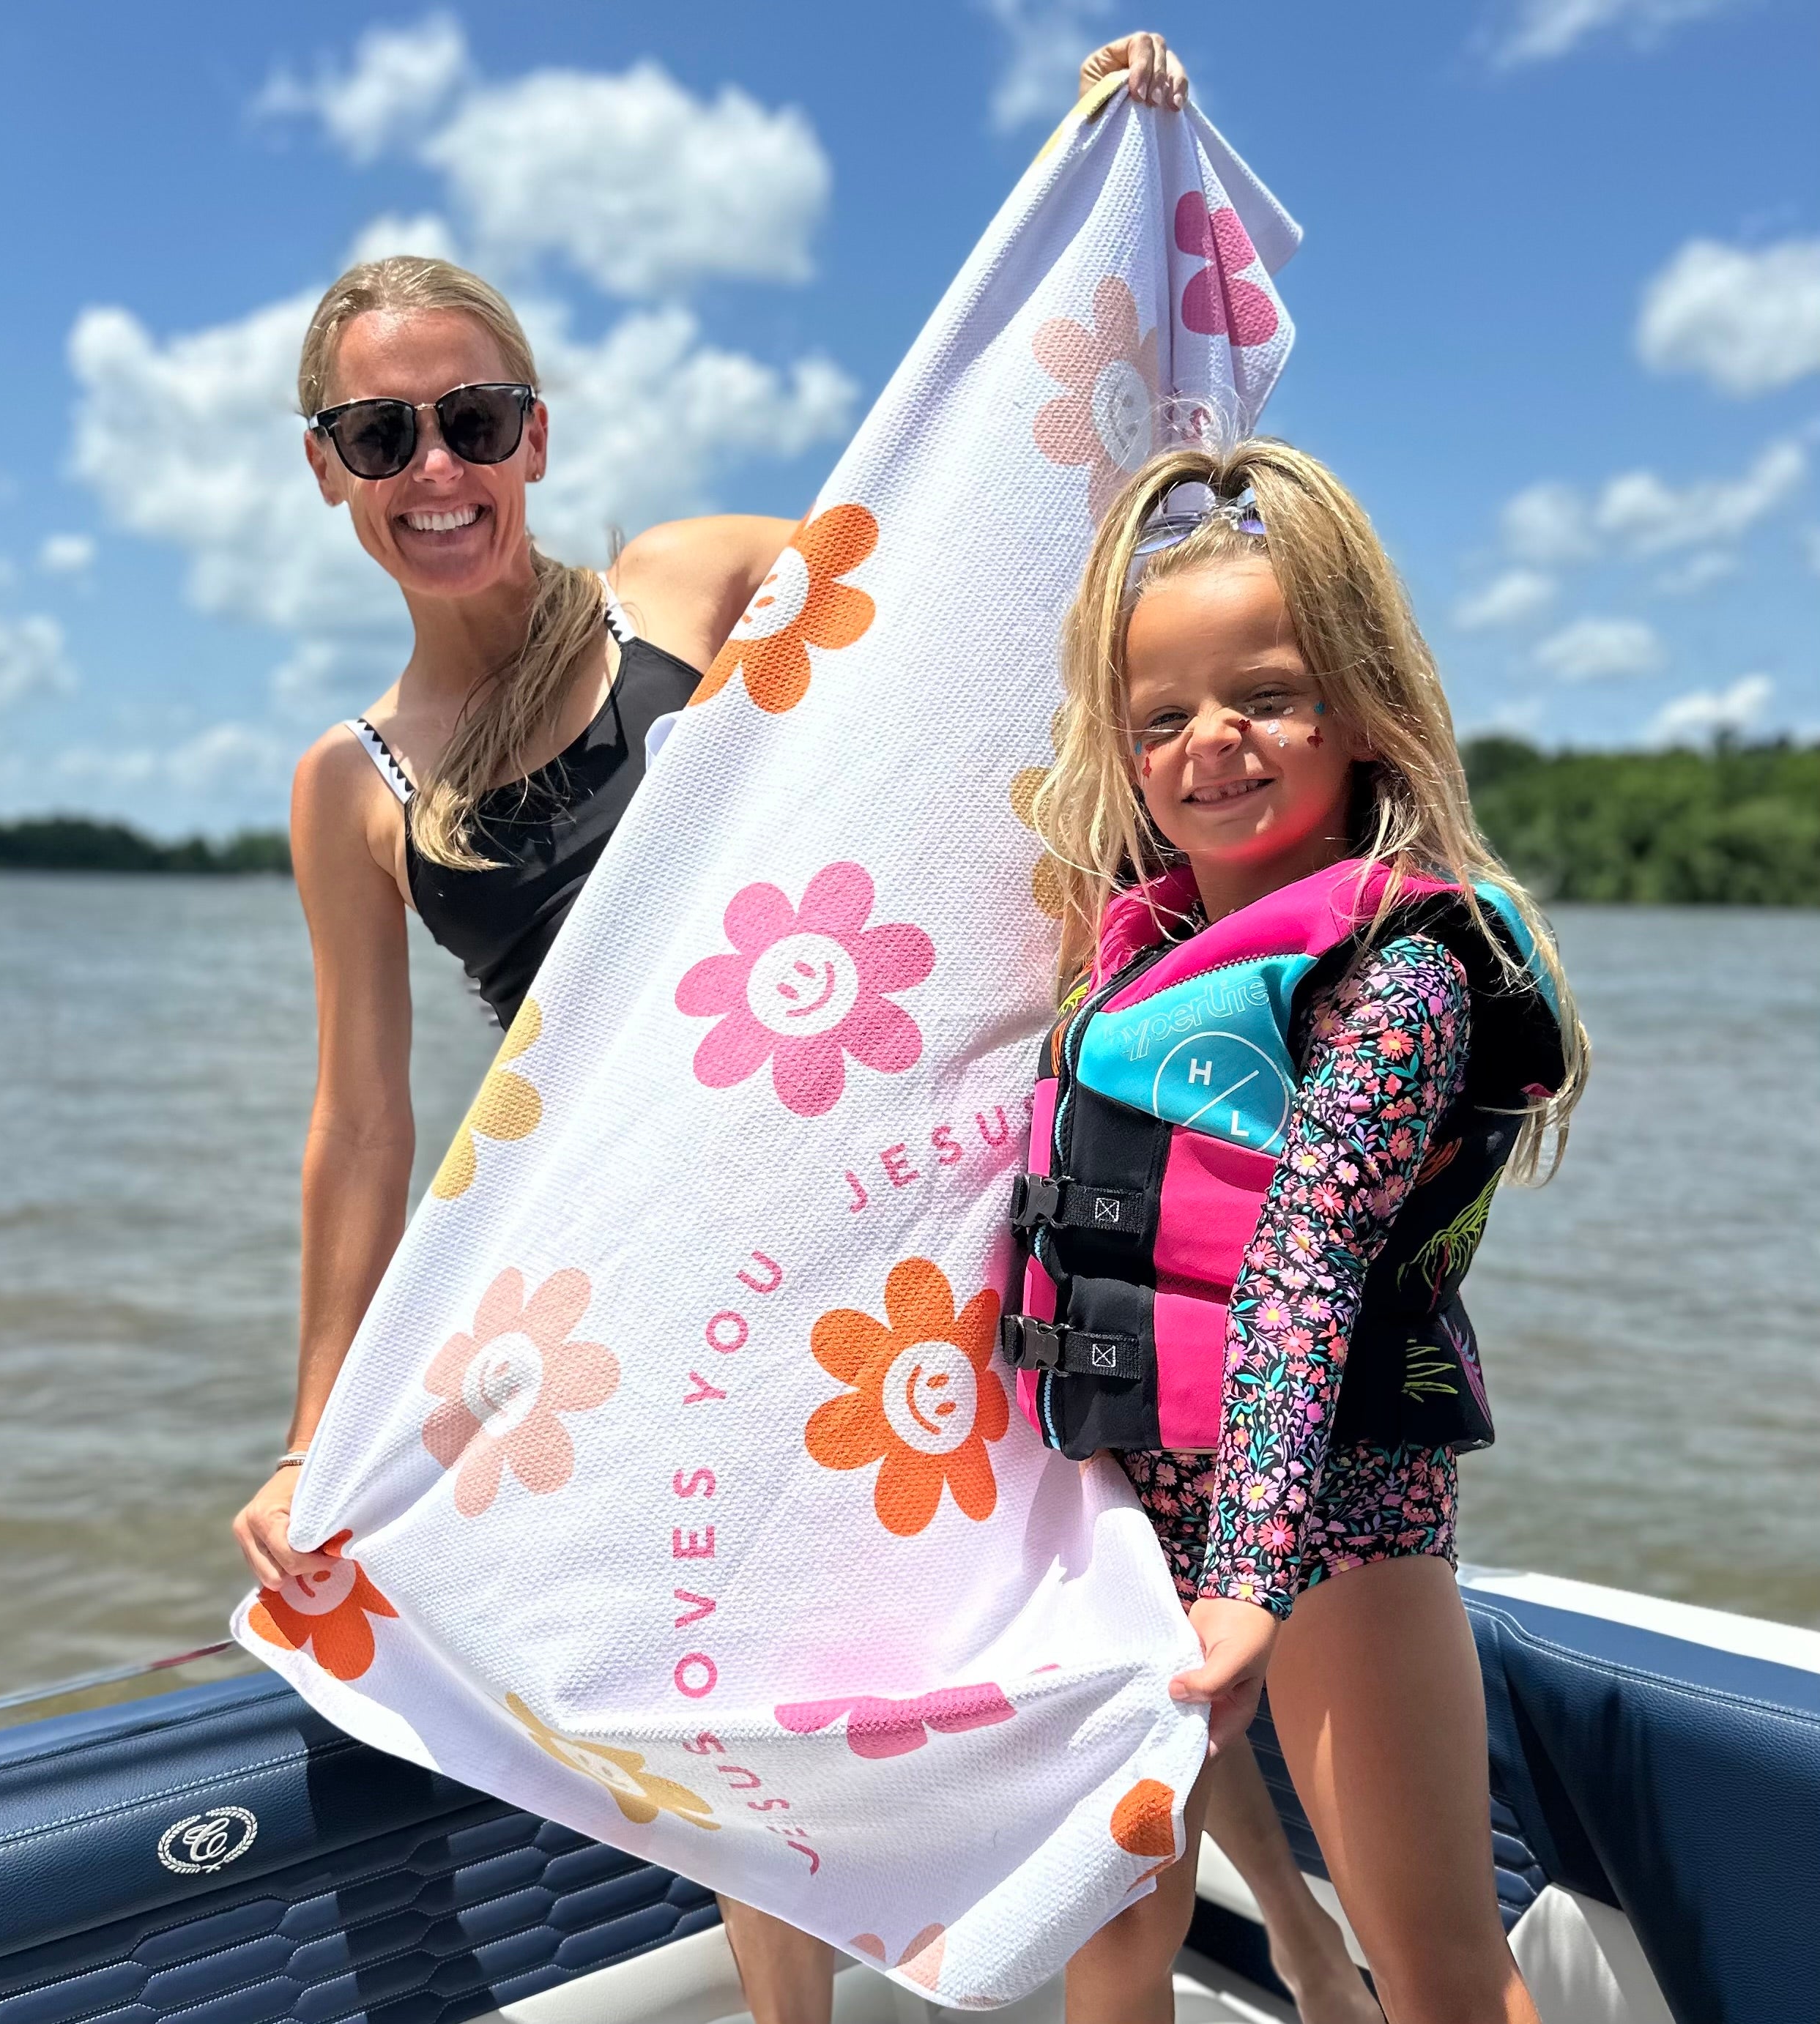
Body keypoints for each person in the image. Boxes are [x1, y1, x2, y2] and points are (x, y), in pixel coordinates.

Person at [226, 29, 1371, 2023]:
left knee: (1105, 1574)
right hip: (658, 1266)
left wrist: (1100, 191)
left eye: (472, 419)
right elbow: (361, 1125)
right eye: (381, 436)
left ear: (534, 433)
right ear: (325, 467)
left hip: (911, 1182)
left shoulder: (697, 582)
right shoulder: (357, 787)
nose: (437, 472)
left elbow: (977, 574)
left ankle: (1309, 1957)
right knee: (748, 1664)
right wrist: (322, 1423)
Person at [1021, 436, 1586, 2024]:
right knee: (1111, 1935)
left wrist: (1254, 1577)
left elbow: (1301, 1269)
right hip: (1132, 1502)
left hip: (1335, 1512)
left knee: (1435, 1971)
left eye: (1263, 694)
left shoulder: (1396, 970)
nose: (1212, 741)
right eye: (1161, 716)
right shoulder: (1126, 955)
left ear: (1353, 701)